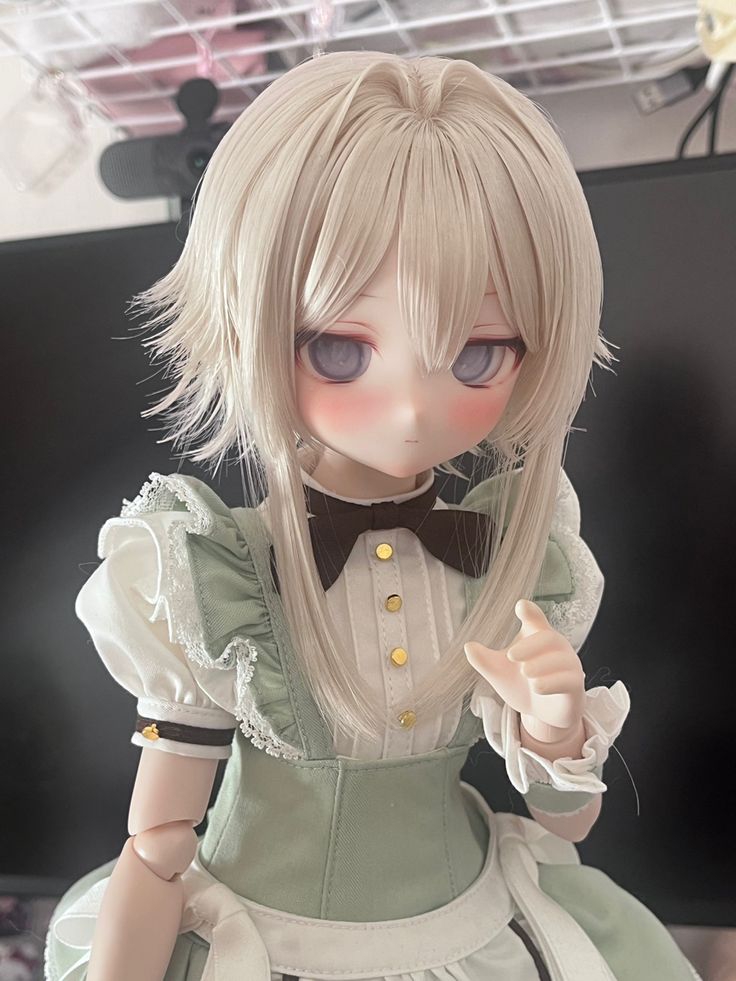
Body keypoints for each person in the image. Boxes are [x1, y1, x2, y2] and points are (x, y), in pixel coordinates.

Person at [44, 50, 700, 981]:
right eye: (341, 351)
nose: (413, 411)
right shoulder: (212, 574)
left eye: (476, 356)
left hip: (471, 928)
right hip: (267, 940)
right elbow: (158, 840)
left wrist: (555, 730)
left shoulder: (508, 557)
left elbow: (571, 822)